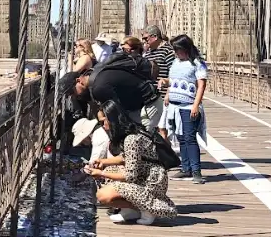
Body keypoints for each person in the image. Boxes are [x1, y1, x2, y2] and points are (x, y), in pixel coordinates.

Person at [84, 101, 177, 225]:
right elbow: (126, 157)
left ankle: (147, 209)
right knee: (110, 171)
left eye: (103, 122)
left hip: (151, 181)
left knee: (102, 195)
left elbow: (130, 176)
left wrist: (101, 173)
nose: (103, 126)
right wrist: (103, 161)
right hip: (145, 175)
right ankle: (131, 210)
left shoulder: (131, 139)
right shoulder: (129, 133)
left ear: (112, 120)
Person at [73, 50, 163, 130]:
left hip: (148, 104)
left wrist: (109, 121)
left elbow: (117, 112)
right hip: (137, 107)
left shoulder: (98, 86)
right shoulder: (96, 75)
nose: (74, 96)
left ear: (78, 81)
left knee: (142, 138)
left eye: (73, 91)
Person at [161, 34, 208, 184]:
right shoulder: (175, 62)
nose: (176, 53)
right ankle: (186, 168)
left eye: (177, 49)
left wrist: (195, 105)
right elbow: (173, 81)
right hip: (174, 105)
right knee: (180, 137)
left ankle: (196, 171)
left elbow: (201, 85)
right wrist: (167, 90)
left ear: (185, 48)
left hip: (188, 106)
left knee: (189, 138)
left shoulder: (197, 63)